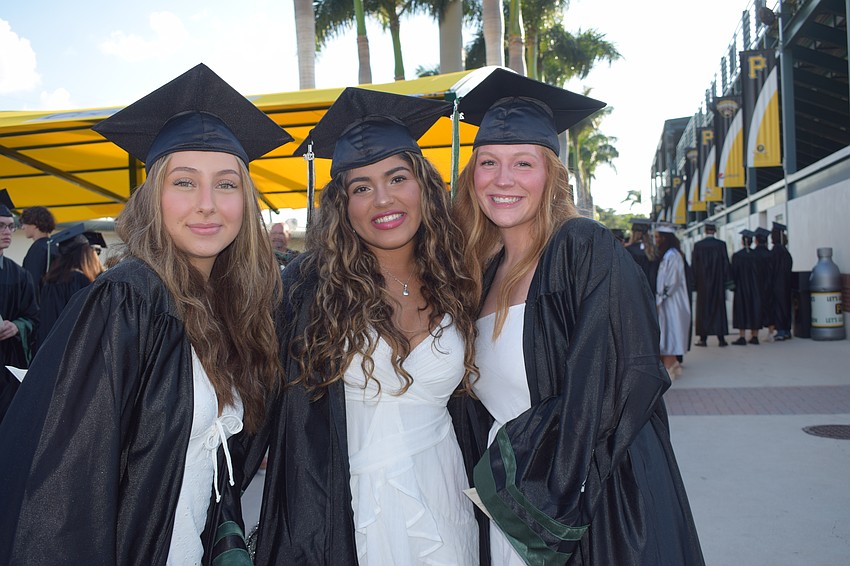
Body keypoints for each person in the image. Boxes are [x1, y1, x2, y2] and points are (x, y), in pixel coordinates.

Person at [0, 63, 291, 566]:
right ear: (153, 197)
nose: (207, 205)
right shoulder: (127, 300)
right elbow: (61, 486)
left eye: (225, 184)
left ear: (245, 200)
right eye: (184, 182)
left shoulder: (231, 306)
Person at [452, 68, 704, 566]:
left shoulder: (581, 247)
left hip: (589, 499)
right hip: (515, 500)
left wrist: (545, 488)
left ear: (551, 175)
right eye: (488, 163)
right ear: (472, 175)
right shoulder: (481, 271)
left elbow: (622, 376)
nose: (503, 179)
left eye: (523, 163)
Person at [248, 87, 481, 565]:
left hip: (444, 494)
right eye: (361, 187)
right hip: (344, 509)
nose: (382, 199)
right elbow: (258, 396)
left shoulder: (459, 275)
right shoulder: (306, 289)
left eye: (397, 178)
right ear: (344, 205)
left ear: (423, 186)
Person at [0, 191, 39, 422]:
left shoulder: (19, 275)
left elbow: (33, 316)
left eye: (10, 227)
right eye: (1, 226)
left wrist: (16, 327)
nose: (7, 233)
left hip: (7, 364)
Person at [35, 224, 105, 350]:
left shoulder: (50, 281)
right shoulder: (81, 282)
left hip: (48, 349)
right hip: (73, 353)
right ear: (86, 254)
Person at [654, 223, 692, 376]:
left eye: (657, 237)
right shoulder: (670, 254)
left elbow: (672, 281)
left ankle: (671, 365)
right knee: (668, 331)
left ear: (665, 238)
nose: (655, 240)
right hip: (668, 300)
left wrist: (661, 297)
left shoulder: (672, 255)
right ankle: (673, 364)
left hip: (671, 302)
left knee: (670, 331)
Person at [691, 221, 731, 347]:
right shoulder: (721, 245)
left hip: (703, 283)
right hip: (718, 282)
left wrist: (694, 283)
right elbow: (726, 264)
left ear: (705, 231)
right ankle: (721, 339)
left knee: (703, 309)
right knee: (719, 308)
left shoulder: (698, 246)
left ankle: (703, 339)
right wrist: (727, 282)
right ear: (715, 231)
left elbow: (694, 266)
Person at [731, 229, 762, 345]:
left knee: (741, 310)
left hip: (741, 287)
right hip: (755, 287)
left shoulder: (737, 256)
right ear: (752, 241)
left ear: (743, 242)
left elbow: (733, 272)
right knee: (755, 309)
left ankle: (742, 336)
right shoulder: (757, 256)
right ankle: (755, 336)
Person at [20, 205, 57, 294]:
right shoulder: (55, 246)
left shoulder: (38, 249)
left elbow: (32, 283)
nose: (22, 227)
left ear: (35, 224)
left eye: (24, 223)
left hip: (41, 303)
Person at [769, 222, 793, 341]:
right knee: (786, 306)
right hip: (786, 283)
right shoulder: (786, 252)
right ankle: (787, 330)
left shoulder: (774, 252)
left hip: (776, 284)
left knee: (778, 307)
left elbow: (770, 268)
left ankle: (781, 331)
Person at [751, 227, 774, 342]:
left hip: (755, 285)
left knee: (755, 309)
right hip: (769, 285)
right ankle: (771, 332)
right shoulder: (770, 254)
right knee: (769, 308)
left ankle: (754, 334)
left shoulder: (752, 255)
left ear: (756, 240)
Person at [625, 217, 657, 291]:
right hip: (651, 289)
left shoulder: (629, 250)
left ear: (633, 233)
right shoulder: (653, 250)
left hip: (635, 290)